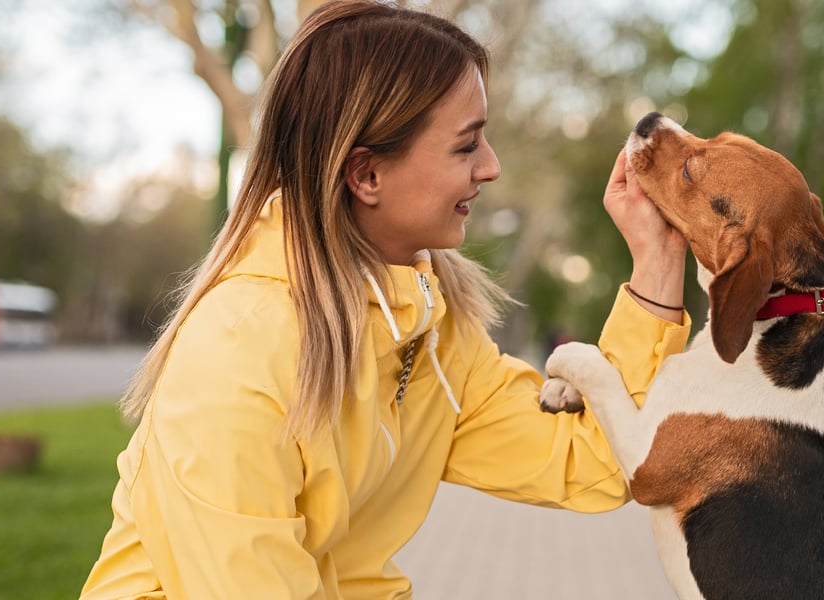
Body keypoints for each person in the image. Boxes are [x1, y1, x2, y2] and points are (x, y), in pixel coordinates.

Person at [79, 1, 688, 598]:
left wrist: (657, 263)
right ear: (365, 175)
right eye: (466, 145)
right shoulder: (238, 348)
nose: (492, 167)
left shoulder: (426, 330)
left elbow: (598, 460)